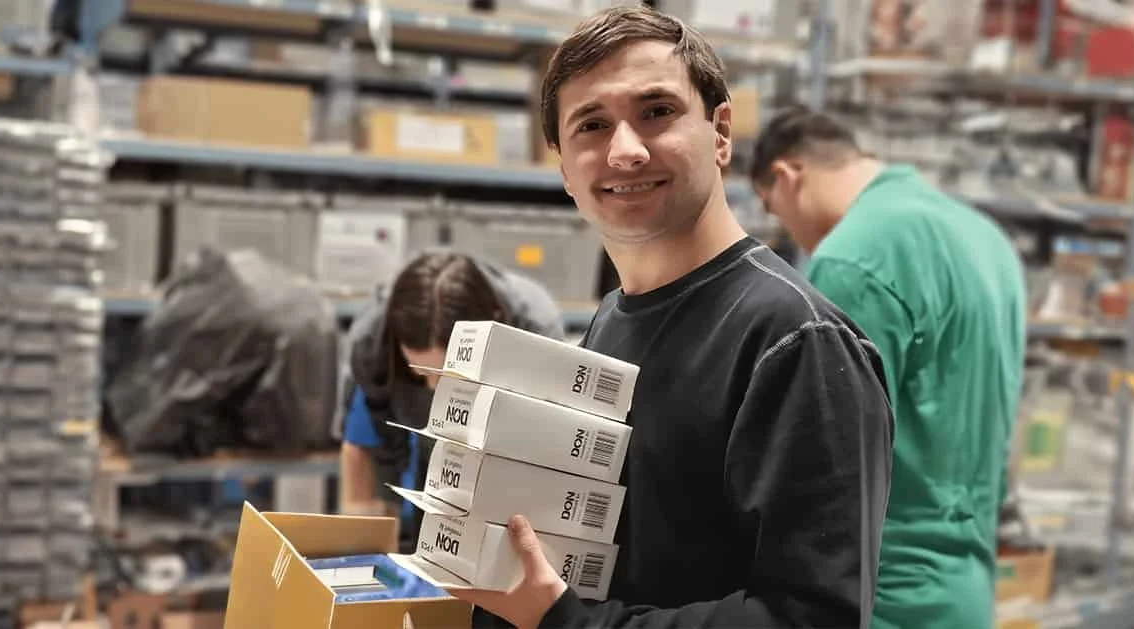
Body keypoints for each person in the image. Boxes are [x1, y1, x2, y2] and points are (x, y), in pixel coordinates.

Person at [446, 6, 895, 629]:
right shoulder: (613, 321)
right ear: (564, 169)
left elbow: (811, 618)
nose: (625, 151)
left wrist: (567, 622)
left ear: (721, 132)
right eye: (591, 126)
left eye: (656, 112)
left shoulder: (795, 342)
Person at [748, 106, 1028, 629]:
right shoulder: (985, 239)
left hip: (884, 598)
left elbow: (824, 468)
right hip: (964, 589)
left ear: (788, 178)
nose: (788, 231)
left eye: (774, 210)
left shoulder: (853, 256)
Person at [338, 249, 565, 551]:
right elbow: (378, 444)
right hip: (424, 441)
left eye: (449, 376)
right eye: (422, 372)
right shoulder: (371, 342)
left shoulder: (535, 330)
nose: (434, 389)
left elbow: (542, 455)